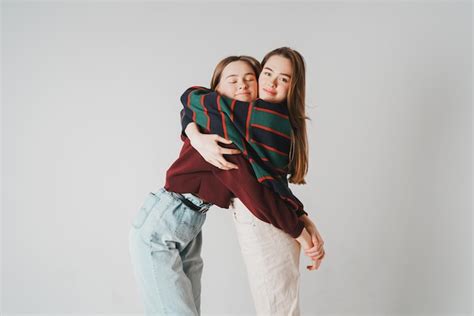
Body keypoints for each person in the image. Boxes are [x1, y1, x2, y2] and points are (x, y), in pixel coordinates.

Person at [129, 54, 321, 316]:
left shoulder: (240, 129)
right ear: (217, 91)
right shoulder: (220, 131)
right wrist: (297, 229)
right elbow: (251, 190)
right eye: (232, 80)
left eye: (249, 79)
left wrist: (301, 215)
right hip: (161, 227)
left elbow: (269, 181)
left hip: (189, 228)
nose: (242, 85)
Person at [182, 47, 325, 316]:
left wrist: (300, 231)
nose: (271, 83)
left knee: (276, 309)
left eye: (284, 79)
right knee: (282, 306)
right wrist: (302, 218)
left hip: (266, 219)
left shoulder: (259, 117)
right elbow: (276, 184)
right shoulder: (275, 119)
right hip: (276, 219)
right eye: (268, 73)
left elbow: (192, 98)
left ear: (294, 86)